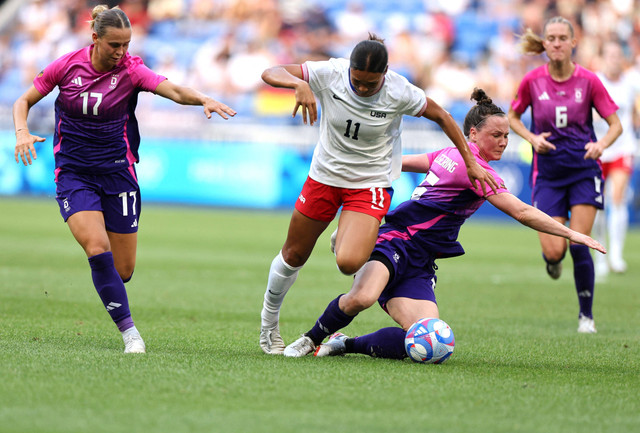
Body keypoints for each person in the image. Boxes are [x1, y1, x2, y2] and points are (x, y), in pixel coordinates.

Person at [282, 88, 606, 359]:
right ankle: (310, 339)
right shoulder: (475, 170)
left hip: (422, 259)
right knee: (362, 297)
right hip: (395, 239)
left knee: (431, 338)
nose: (504, 141)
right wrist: (573, 233)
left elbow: (395, 164)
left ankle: (345, 344)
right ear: (473, 135)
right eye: (496, 134)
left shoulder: (449, 154)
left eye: (507, 135)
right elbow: (521, 212)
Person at [13, 5, 236, 353]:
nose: (121, 52)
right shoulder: (67, 65)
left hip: (118, 174)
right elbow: (24, 100)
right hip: (74, 173)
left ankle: (114, 294)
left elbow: (173, 90)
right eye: (114, 45)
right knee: (96, 248)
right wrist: (22, 132)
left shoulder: (132, 70)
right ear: (95, 38)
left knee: (124, 270)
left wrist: (202, 98)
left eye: (126, 45)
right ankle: (131, 334)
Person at [259, 33, 499, 354]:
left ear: (384, 75)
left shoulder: (400, 91)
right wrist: (297, 84)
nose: (362, 88)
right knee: (294, 255)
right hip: (325, 176)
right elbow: (271, 71)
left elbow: (443, 115)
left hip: (369, 183)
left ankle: (351, 231)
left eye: (370, 84)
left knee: (348, 263)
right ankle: (268, 327)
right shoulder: (331, 72)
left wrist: (470, 161)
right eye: (356, 81)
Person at [507, 17, 621, 334]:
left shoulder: (589, 81)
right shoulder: (532, 81)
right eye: (551, 38)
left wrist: (601, 145)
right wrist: (531, 138)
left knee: (579, 243)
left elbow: (616, 125)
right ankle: (551, 261)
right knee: (554, 250)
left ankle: (586, 316)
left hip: (584, 171)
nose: (556, 43)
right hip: (548, 174)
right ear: (544, 44)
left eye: (562, 38)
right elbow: (513, 117)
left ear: (573, 43)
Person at [592, 41, 640, 277]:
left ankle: (617, 255)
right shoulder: (594, 81)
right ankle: (600, 253)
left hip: (623, 146)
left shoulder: (631, 83)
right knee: (598, 204)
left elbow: (634, 112)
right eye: (609, 54)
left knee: (617, 197)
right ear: (603, 57)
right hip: (600, 149)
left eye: (617, 55)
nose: (614, 59)